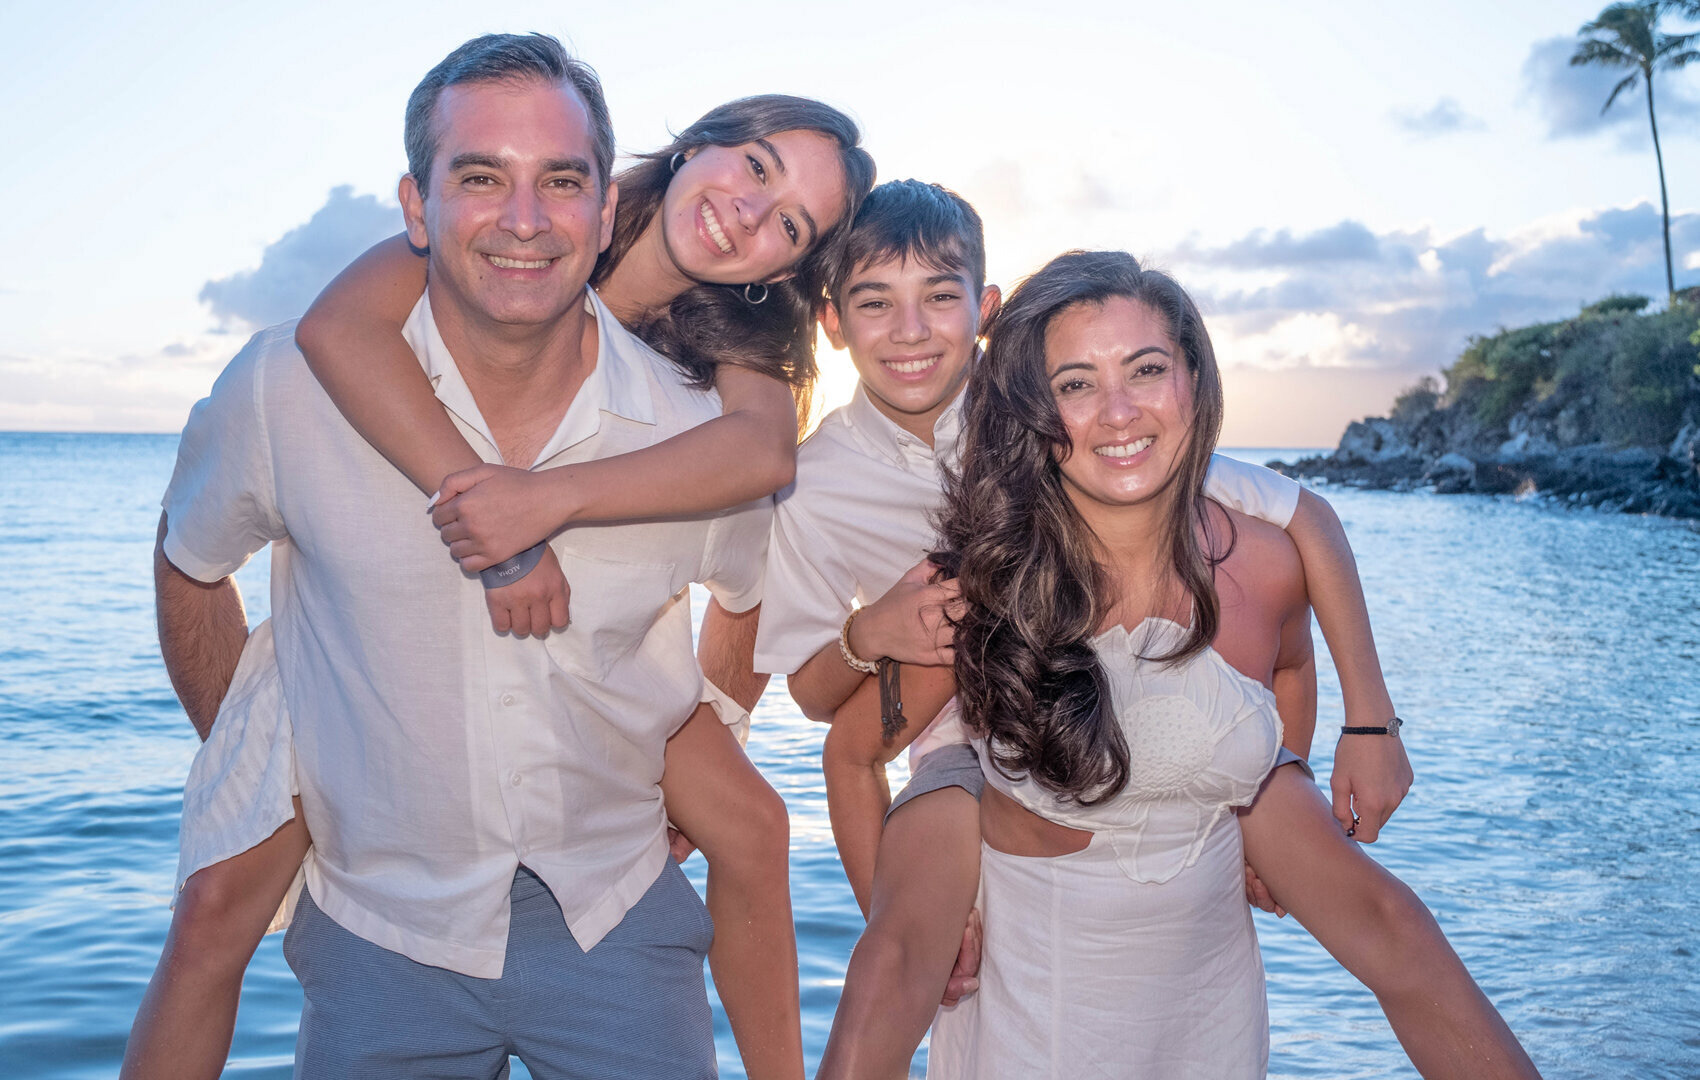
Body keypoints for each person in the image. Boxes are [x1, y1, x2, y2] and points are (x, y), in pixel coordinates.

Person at [131, 33, 834, 1079]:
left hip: (605, 873)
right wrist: (268, 745)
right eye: (756, 168)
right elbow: (331, 338)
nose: (523, 217)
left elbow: (752, 513)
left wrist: (698, 731)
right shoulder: (316, 361)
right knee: (213, 911)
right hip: (379, 865)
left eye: (791, 225)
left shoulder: (715, 381)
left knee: (753, 828)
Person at [740, 181, 1411, 1077]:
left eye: (939, 297)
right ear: (832, 321)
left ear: (982, 311)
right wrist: (874, 631)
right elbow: (816, 698)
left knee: (1364, 908)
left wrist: (1366, 722)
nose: (910, 332)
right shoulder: (816, 482)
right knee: (905, 938)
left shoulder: (1059, 408)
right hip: (952, 730)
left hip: (1113, 698)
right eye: (875, 303)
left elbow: (1307, 521)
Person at [915, 249, 1540, 1078]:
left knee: (1395, 927)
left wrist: (1331, 749)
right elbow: (878, 739)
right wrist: (928, 892)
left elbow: (1288, 657)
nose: (1118, 410)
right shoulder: (979, 577)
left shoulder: (1259, 557)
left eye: (1146, 369)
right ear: (1032, 410)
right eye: (1074, 384)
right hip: (1040, 1003)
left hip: (1205, 996)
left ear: (1194, 382)